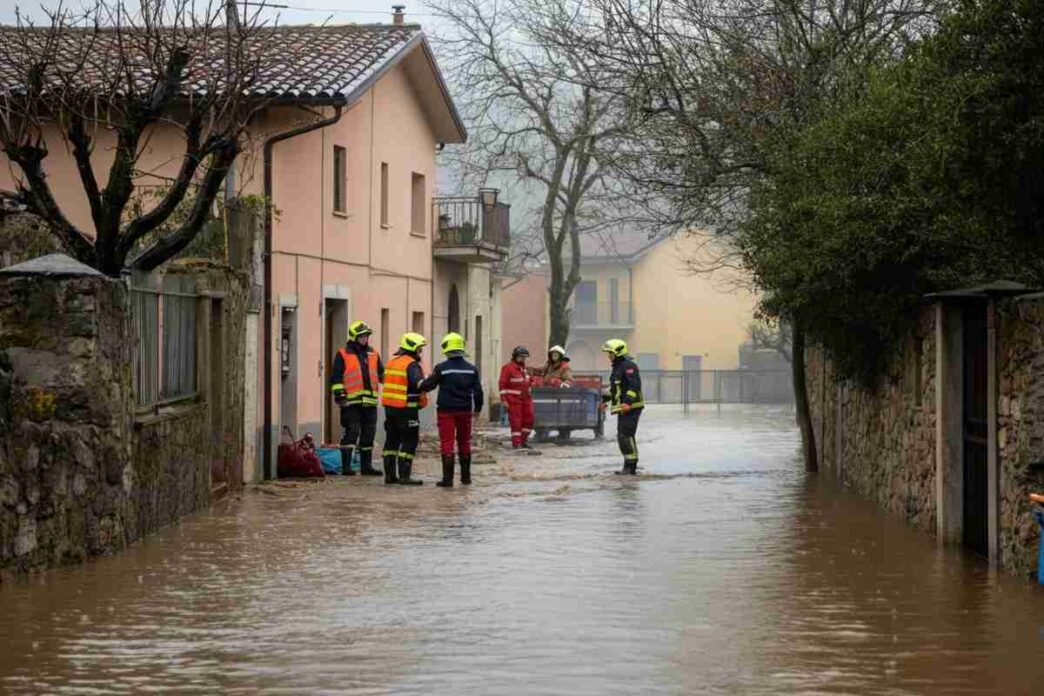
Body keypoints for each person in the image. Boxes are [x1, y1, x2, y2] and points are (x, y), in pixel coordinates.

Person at [419, 332, 484, 487]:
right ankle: (466, 479)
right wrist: (478, 409)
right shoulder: (472, 369)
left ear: (447, 349)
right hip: (465, 411)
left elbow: (429, 385)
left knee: (447, 443)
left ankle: (447, 480)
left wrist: (420, 384)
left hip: (446, 411)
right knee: (464, 442)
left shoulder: (442, 368)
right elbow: (478, 391)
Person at [330, 320, 384, 476]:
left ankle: (366, 467)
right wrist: (340, 395)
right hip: (351, 403)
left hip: (370, 403)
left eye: (366, 336)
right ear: (354, 337)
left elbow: (381, 375)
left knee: (368, 435)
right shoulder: (343, 354)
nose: (365, 338)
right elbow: (336, 377)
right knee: (351, 432)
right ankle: (346, 467)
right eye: (361, 336)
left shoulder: (373, 353)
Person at [381, 332, 429, 486]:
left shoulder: (391, 362)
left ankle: (389, 476)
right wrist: (432, 381)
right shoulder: (411, 365)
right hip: (407, 409)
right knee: (409, 441)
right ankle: (404, 476)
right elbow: (418, 384)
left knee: (391, 442)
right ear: (413, 348)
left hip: (390, 410)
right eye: (419, 349)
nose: (420, 352)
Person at [602, 338, 644, 475]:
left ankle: (631, 467)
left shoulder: (629, 365)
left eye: (610, 353)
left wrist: (628, 402)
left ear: (618, 352)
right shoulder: (617, 367)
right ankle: (628, 465)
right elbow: (615, 389)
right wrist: (605, 400)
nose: (609, 356)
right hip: (622, 407)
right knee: (622, 435)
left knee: (626, 435)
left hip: (632, 407)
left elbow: (634, 385)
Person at [499, 346, 535, 449]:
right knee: (516, 422)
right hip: (514, 400)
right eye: (521, 357)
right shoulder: (508, 368)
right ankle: (517, 442)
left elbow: (530, 381)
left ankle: (523, 440)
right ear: (515, 356)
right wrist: (503, 399)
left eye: (524, 357)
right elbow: (502, 384)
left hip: (526, 399)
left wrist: (533, 382)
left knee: (530, 419)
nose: (523, 359)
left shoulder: (525, 369)